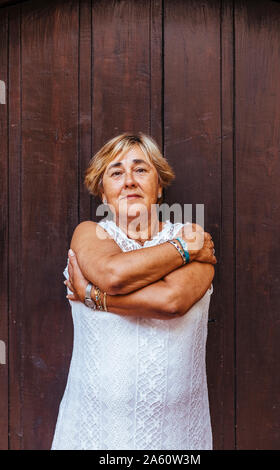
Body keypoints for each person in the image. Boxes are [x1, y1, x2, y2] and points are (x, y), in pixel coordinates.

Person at [51, 132, 217, 450]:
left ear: (159, 186)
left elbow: (172, 301)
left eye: (140, 169)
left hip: (176, 436)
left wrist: (93, 296)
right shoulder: (90, 235)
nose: (129, 181)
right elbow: (114, 274)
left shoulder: (192, 234)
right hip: (95, 432)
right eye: (116, 173)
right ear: (103, 194)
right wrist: (184, 249)